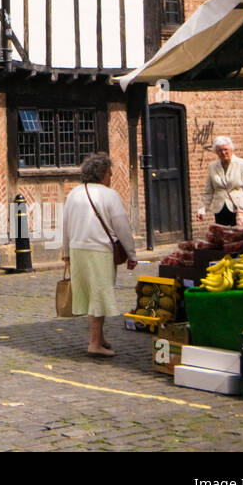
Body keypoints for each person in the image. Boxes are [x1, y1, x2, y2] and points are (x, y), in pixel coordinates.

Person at [60, 152, 138, 357]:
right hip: (99, 251)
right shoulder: (109, 195)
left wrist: (66, 252)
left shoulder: (74, 194)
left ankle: (99, 337)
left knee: (90, 295)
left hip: (78, 250)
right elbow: (122, 227)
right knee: (99, 295)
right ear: (102, 173)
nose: (111, 177)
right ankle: (94, 343)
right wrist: (131, 254)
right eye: (110, 173)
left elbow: (65, 225)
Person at [198, 136, 243, 227]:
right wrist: (202, 209)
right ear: (216, 152)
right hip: (220, 209)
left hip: (240, 208)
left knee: (241, 238)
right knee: (224, 237)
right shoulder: (212, 167)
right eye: (219, 150)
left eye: (225, 149)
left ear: (231, 149)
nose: (223, 153)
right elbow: (208, 191)